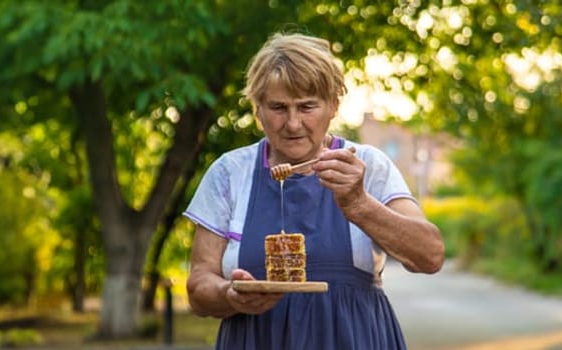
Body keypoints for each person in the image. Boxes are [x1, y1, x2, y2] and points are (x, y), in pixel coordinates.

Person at [183, 33, 446, 349]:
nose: (293, 124)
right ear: (257, 109)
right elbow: (199, 288)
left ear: (333, 106)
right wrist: (230, 296)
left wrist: (359, 204)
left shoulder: (368, 165)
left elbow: (429, 256)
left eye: (307, 106)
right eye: (278, 107)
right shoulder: (229, 173)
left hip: (356, 338)